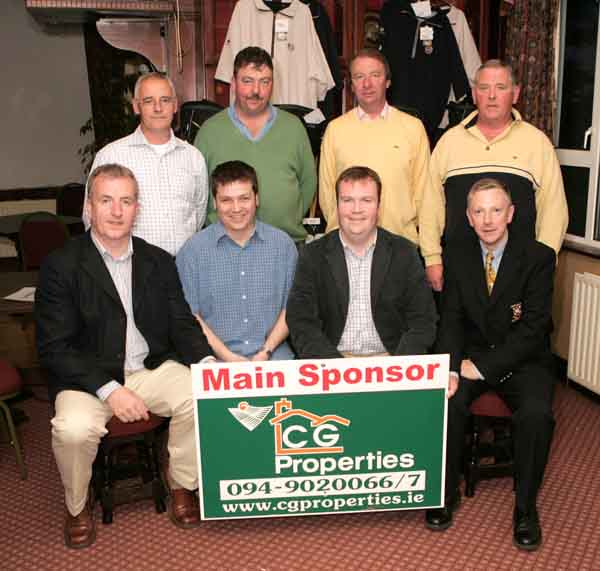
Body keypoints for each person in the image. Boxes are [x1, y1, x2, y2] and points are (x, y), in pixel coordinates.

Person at [36, 164, 213, 549]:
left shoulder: (159, 261)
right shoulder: (60, 265)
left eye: (126, 201)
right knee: (71, 430)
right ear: (89, 208)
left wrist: (207, 365)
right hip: (88, 377)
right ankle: (77, 506)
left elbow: (182, 324)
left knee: (201, 397)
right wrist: (109, 390)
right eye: (106, 200)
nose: (116, 211)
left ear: (137, 209)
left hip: (148, 369)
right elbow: (54, 347)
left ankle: (183, 484)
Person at [425, 178, 556, 552]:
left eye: (496, 210)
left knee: (536, 415)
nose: (487, 220)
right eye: (479, 211)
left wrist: (481, 368)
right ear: (468, 217)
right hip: (468, 357)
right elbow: (449, 319)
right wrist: (451, 369)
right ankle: (443, 495)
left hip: (524, 360)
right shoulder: (458, 255)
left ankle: (526, 509)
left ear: (510, 214)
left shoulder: (539, 257)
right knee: (446, 401)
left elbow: (534, 330)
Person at [420, 59, 568, 292]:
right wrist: (432, 258)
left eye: (500, 88)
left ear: (515, 93)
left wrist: (542, 265)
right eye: (484, 88)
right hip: (456, 275)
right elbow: (430, 205)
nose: (491, 96)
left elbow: (554, 210)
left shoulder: (537, 143)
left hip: (520, 275)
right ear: (474, 94)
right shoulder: (449, 142)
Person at [286, 166, 437, 359]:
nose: (356, 210)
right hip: (332, 362)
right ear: (337, 205)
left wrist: (400, 366)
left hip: (391, 361)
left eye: (366, 200)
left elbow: (423, 320)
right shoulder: (312, 255)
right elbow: (301, 321)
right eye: (348, 200)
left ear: (379, 206)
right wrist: (337, 368)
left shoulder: (404, 253)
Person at [177, 161, 297, 361]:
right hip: (216, 363)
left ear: (256, 199)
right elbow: (191, 316)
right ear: (214, 202)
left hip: (275, 359)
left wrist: (266, 351)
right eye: (226, 200)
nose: (236, 208)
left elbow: (291, 307)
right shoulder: (192, 252)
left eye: (244, 198)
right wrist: (228, 358)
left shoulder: (283, 246)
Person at [195, 46, 317, 244]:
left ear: (273, 84)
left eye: (264, 82)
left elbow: (308, 182)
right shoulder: (210, 131)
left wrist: (286, 217)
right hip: (226, 243)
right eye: (247, 81)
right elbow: (200, 192)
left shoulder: (293, 128)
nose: (256, 91)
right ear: (233, 83)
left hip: (287, 242)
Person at [318, 48, 434, 248]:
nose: (367, 84)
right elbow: (328, 195)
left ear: (387, 81)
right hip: (347, 248)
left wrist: (430, 252)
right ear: (351, 85)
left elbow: (425, 194)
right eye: (359, 77)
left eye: (375, 75)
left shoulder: (413, 128)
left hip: (401, 247)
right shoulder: (336, 130)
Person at [84, 72, 209, 256]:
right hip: (132, 268)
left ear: (174, 105)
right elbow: (91, 218)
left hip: (183, 269)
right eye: (149, 101)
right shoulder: (111, 156)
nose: (158, 108)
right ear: (136, 106)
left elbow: (199, 214)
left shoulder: (193, 157)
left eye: (165, 100)